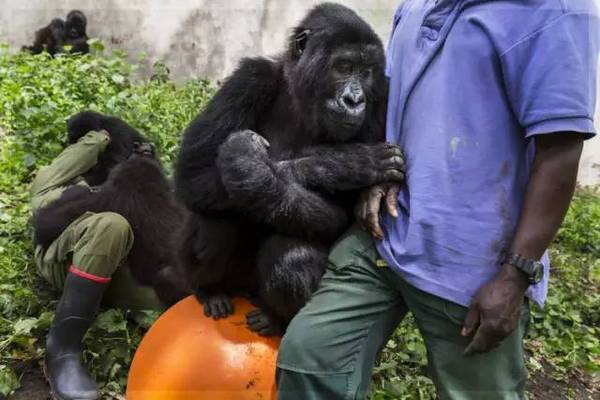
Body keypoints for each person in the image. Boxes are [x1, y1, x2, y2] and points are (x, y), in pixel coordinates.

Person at [276, 1, 599, 399]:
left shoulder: (555, 11)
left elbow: (561, 151)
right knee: (309, 358)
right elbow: (393, 100)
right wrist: (379, 170)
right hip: (384, 234)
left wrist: (515, 274)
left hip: (472, 262)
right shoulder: (418, 3)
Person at [30, 130, 164, 400]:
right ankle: (62, 350)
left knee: (185, 286)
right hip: (64, 253)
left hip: (112, 272)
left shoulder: (126, 184)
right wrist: (105, 134)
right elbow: (89, 146)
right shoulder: (50, 186)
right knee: (111, 225)